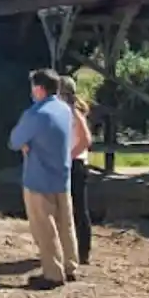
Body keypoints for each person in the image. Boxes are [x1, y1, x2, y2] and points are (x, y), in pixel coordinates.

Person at [8, 69, 80, 288]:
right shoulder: (65, 110)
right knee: (66, 223)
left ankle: (53, 273)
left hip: (39, 179)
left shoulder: (35, 114)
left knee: (44, 227)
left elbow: (14, 140)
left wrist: (25, 145)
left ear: (38, 89)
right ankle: (71, 266)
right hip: (62, 175)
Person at [59, 75, 94, 266]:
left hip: (76, 165)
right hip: (69, 163)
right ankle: (71, 250)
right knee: (67, 209)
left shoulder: (73, 112)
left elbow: (86, 140)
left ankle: (83, 252)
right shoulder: (65, 111)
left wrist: (69, 156)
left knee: (79, 209)